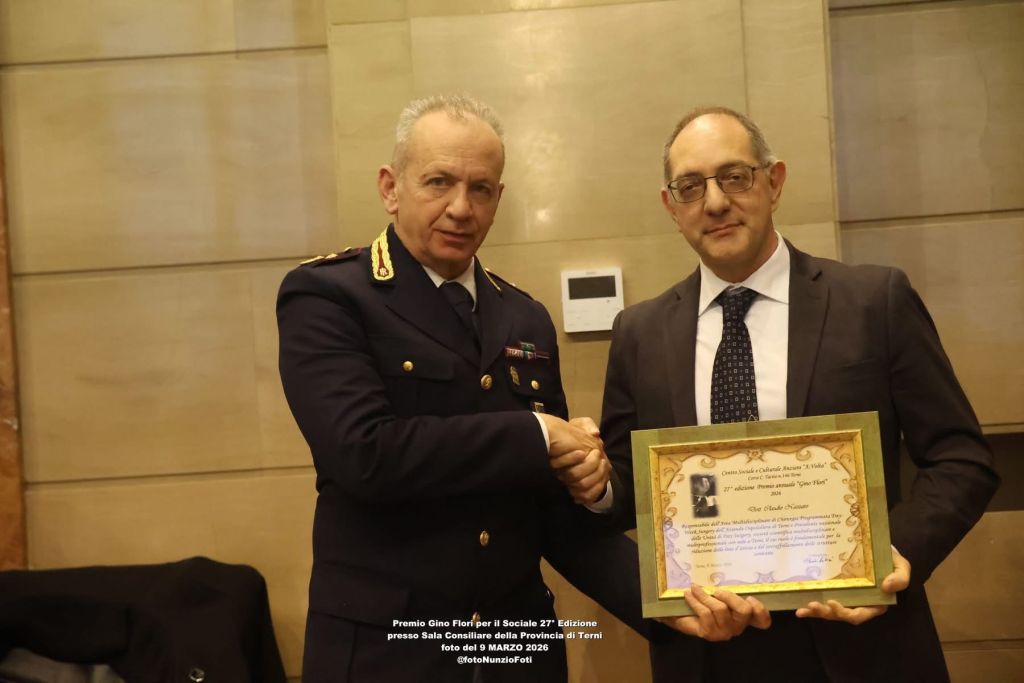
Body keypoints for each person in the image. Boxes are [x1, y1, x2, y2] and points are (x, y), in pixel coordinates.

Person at [598, 106, 999, 681]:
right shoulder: (639, 333)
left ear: (774, 181)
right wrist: (590, 479)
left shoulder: (873, 301)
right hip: (708, 655)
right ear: (671, 206)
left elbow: (961, 458)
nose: (715, 202)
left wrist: (896, 554)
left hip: (860, 648)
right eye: (691, 187)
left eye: (735, 177)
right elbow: (626, 485)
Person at [276, 94, 619, 682]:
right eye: (439, 182)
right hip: (389, 655)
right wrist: (537, 435)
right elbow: (365, 455)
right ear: (391, 188)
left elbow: (546, 509)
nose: (461, 208)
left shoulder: (526, 318)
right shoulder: (329, 297)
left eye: (480, 188)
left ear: (498, 199)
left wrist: (589, 483)